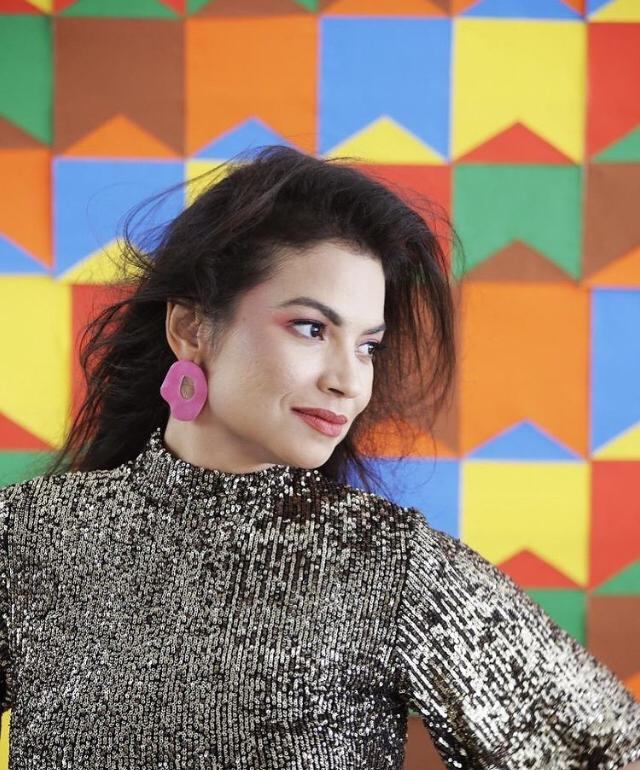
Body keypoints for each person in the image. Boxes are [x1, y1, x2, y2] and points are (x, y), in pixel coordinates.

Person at [0, 145, 638, 769]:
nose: (350, 382)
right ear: (191, 327)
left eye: (368, 346)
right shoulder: (29, 532)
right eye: (312, 328)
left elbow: (608, 749)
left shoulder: (390, 567)